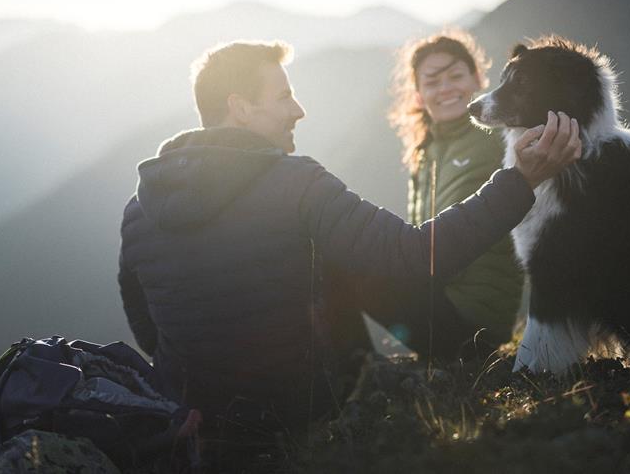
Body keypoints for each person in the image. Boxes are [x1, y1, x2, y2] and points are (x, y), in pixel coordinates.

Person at [117, 40, 580, 436]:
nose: (298, 110)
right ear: (240, 107)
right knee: (341, 254)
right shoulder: (297, 183)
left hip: (198, 418)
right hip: (302, 413)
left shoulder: (138, 208)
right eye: (284, 97)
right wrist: (519, 181)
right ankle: (365, 381)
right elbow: (413, 255)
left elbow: (144, 323)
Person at [362, 31, 523, 359]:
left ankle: (348, 386)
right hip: (438, 303)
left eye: (455, 76)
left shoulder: (501, 141)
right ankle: (357, 373)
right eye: (432, 82)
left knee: (344, 264)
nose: (446, 88)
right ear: (418, 95)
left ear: (477, 78)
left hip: (475, 324)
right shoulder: (425, 150)